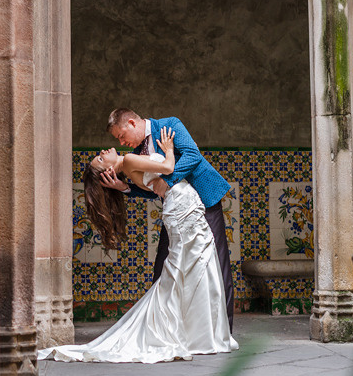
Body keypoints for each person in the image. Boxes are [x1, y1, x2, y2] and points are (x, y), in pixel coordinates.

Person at [38, 128, 238, 363]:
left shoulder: (131, 168)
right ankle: (199, 333)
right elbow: (169, 170)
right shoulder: (131, 159)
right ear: (110, 169)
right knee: (194, 265)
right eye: (101, 158)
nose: (104, 150)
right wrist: (170, 151)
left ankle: (192, 332)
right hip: (182, 206)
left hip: (180, 207)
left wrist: (122, 188)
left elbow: (154, 188)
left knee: (189, 267)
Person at [103, 108, 235, 332]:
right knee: (163, 264)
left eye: (121, 135)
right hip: (175, 211)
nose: (122, 142)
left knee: (216, 262)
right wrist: (124, 188)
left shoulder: (169, 125)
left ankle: (224, 330)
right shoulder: (135, 153)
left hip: (205, 199)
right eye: (118, 140)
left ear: (132, 123)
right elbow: (155, 189)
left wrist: (169, 179)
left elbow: (193, 156)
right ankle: (162, 329)